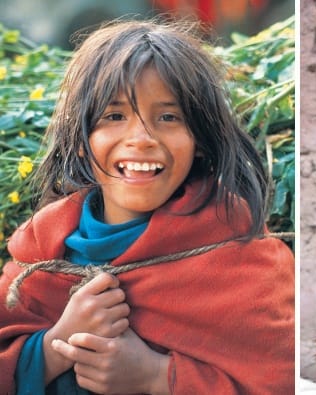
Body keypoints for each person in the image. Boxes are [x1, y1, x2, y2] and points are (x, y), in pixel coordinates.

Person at [0, 18, 295, 394]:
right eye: (114, 116)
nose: (141, 139)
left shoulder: (243, 259)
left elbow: (280, 381)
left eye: (168, 117)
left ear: (200, 140)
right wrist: (55, 347)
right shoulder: (39, 253)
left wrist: (156, 376)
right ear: (80, 140)